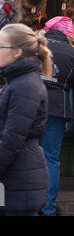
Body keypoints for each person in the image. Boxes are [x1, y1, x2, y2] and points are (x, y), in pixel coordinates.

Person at [0, 23, 52, 216]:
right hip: (7, 177)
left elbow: (10, 142)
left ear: (17, 52)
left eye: (0, 46)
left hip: (20, 180)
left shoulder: (25, 87)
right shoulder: (17, 81)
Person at [39, 16, 74, 216]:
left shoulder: (35, 46)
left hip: (30, 105)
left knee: (27, 154)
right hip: (57, 109)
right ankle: (48, 207)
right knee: (50, 157)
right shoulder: (71, 53)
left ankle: (29, 204)